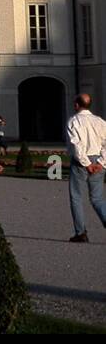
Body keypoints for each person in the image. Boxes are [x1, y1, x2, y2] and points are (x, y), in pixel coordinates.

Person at [66, 93, 106, 242]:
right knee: (97, 198)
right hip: (98, 159)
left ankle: (81, 232)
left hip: (81, 162)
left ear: (77, 105)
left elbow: (77, 145)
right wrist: (101, 162)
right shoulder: (100, 121)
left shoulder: (74, 121)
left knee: (76, 196)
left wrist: (87, 163)